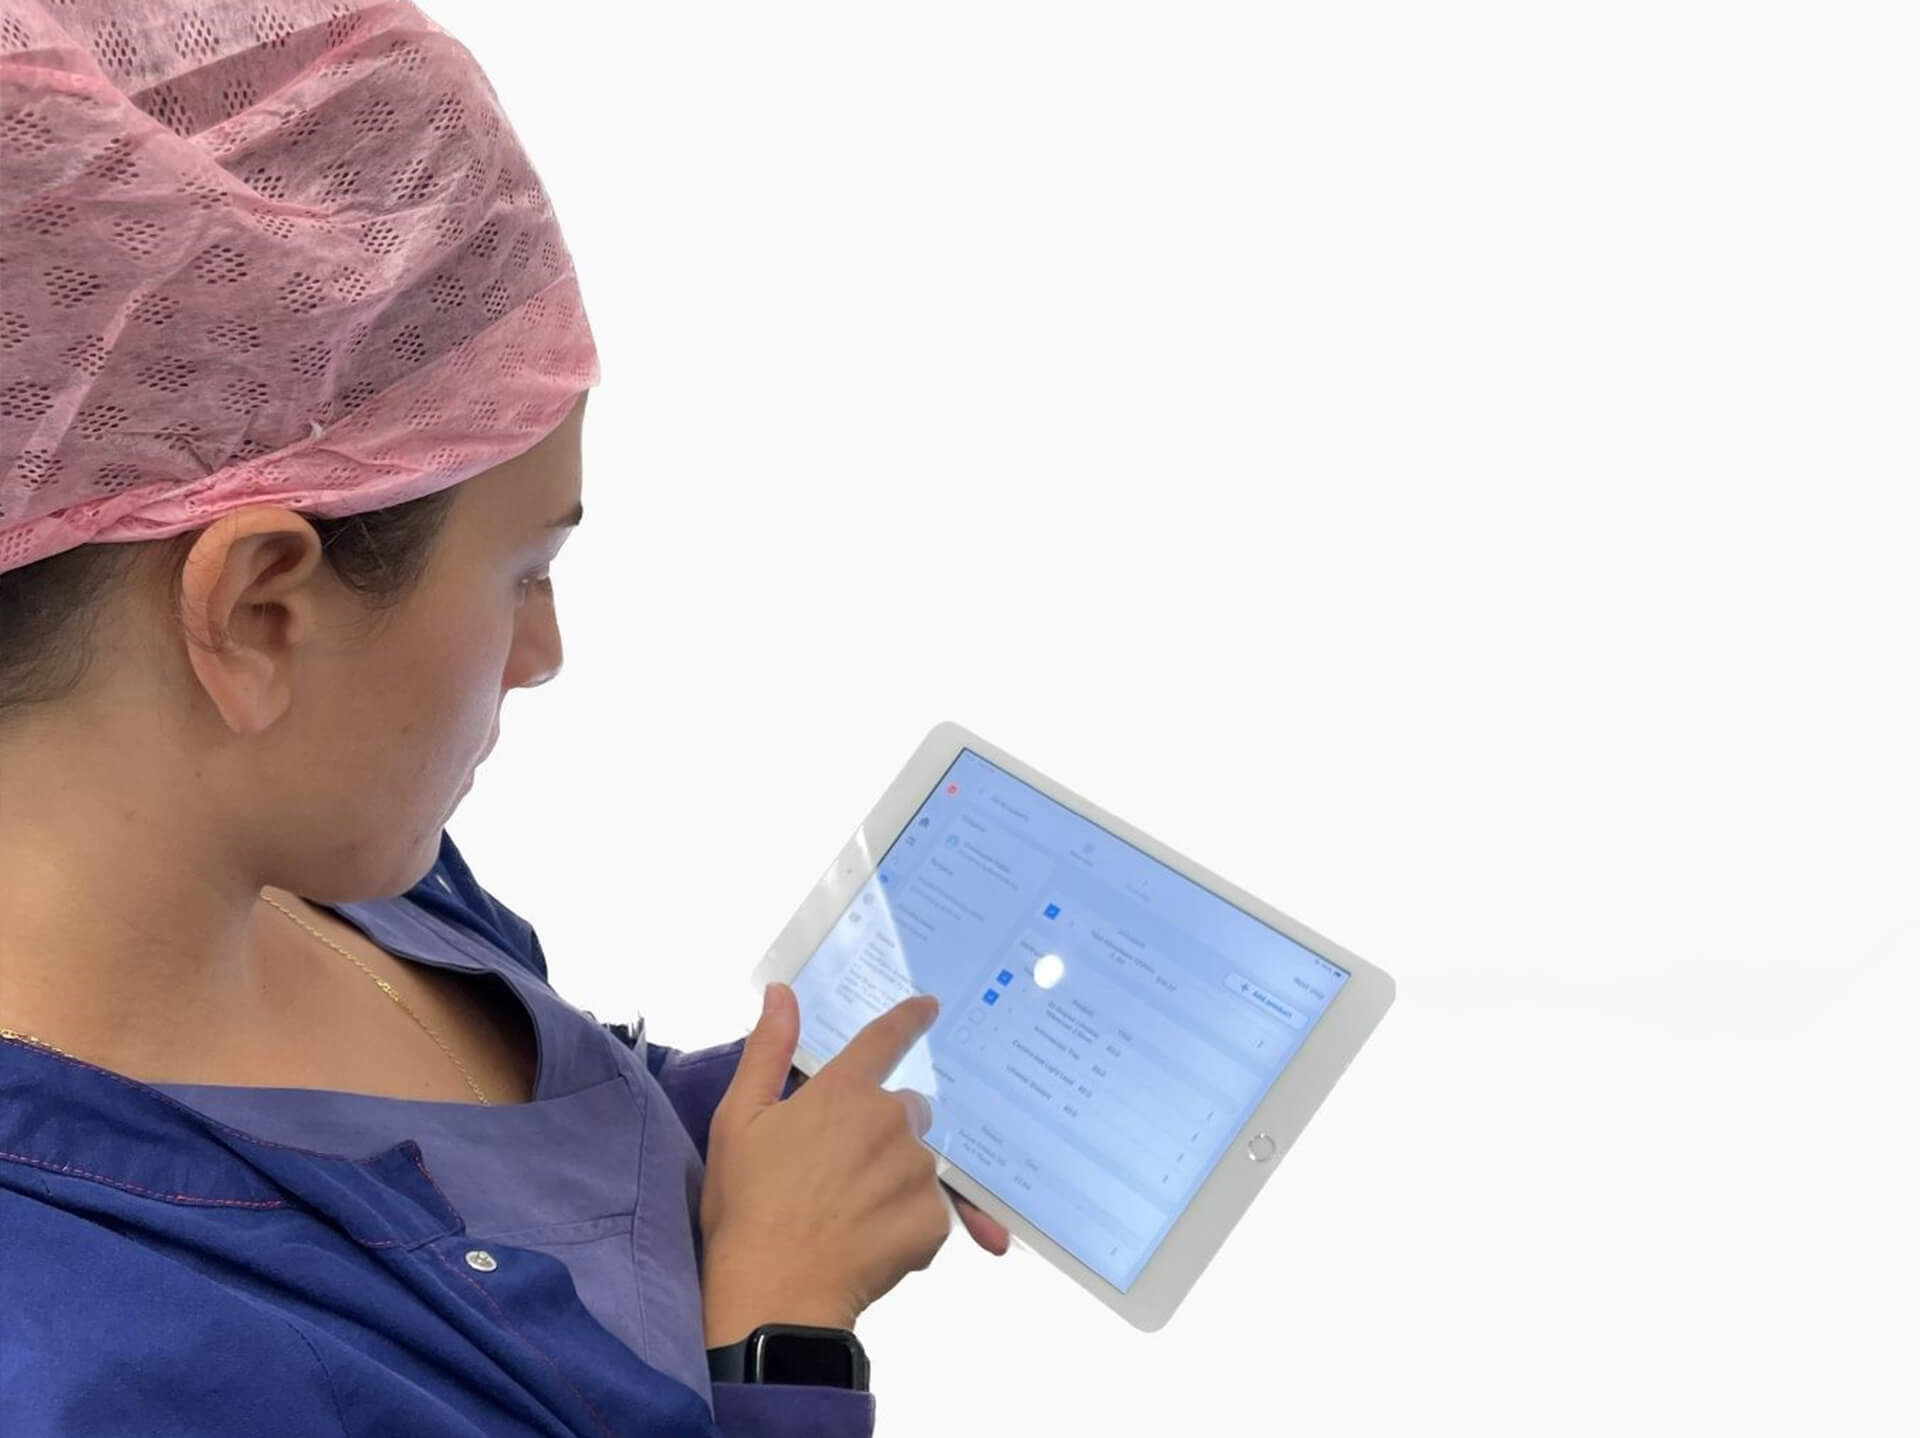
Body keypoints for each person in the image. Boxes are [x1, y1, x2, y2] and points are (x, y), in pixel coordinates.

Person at [0, 3, 1007, 1433]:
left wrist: (765, 1125)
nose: (544, 652)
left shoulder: (330, 870)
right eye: (527, 570)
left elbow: (530, 1175)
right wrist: (781, 1335)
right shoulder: (90, 1360)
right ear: (260, 609)